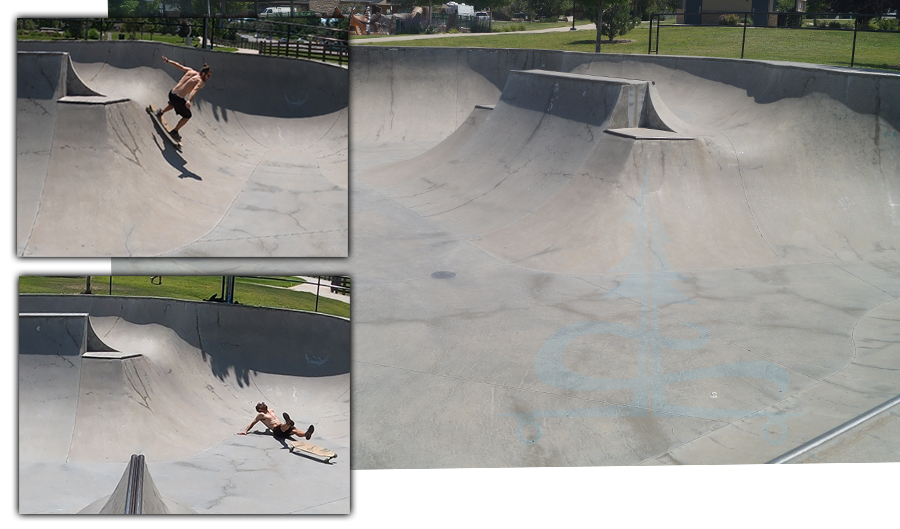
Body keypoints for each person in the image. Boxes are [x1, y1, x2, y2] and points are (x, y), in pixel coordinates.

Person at [156, 55, 212, 141]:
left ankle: (161, 113)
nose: (208, 78)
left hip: (171, 93)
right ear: (203, 74)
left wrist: (168, 61)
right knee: (187, 116)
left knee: (173, 104)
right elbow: (194, 90)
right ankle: (175, 131)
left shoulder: (191, 71)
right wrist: (189, 101)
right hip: (178, 99)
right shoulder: (200, 82)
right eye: (208, 76)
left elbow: (179, 66)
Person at [238, 402, 314, 440]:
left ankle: (306, 434)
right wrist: (245, 431)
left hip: (282, 430)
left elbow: (267, 429)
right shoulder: (261, 415)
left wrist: (267, 430)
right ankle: (288, 423)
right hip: (276, 430)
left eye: (263, 403)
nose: (264, 404)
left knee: (295, 430)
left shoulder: (271, 410)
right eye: (261, 404)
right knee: (282, 427)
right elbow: (252, 423)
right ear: (260, 409)